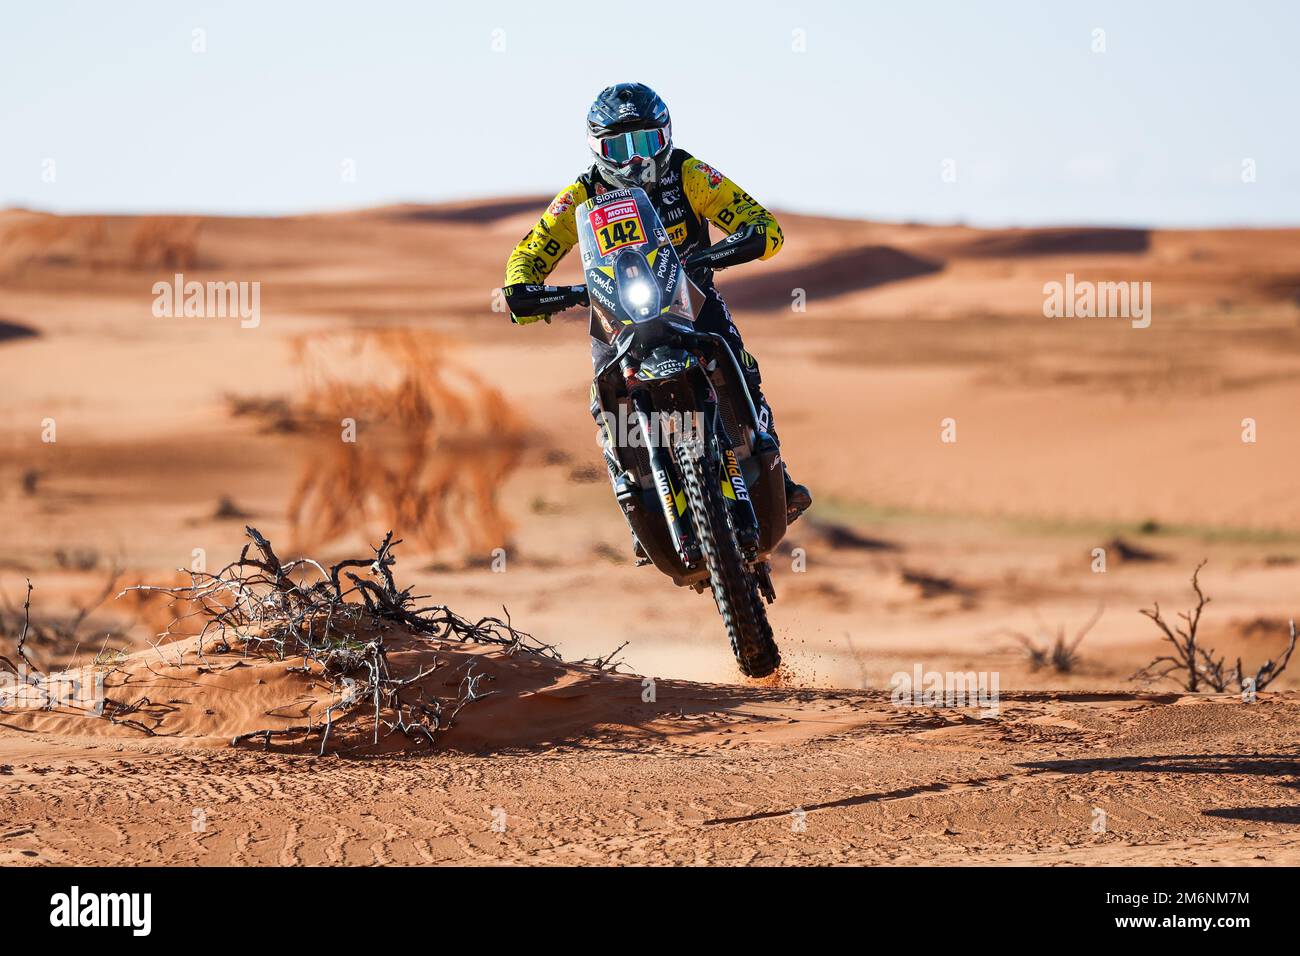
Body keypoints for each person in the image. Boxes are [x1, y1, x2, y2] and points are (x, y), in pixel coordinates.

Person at [502, 81, 812, 530]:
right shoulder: (580, 195)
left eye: (647, 141)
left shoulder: (690, 174)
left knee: (743, 368)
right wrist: (524, 290)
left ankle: (776, 473)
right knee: (604, 404)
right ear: (597, 148)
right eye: (620, 145)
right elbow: (529, 253)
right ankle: (636, 501)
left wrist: (720, 252)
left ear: (666, 136)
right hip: (615, 318)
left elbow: (763, 225)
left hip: (692, 300)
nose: (635, 158)